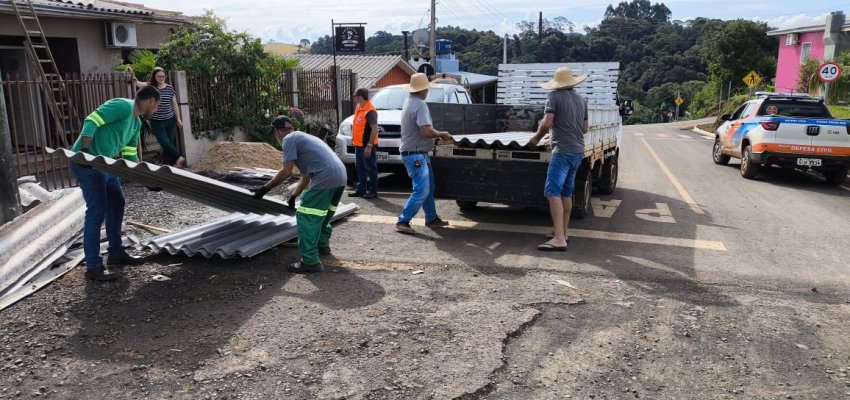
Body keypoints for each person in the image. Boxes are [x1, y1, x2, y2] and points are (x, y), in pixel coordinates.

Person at [70, 86, 161, 281]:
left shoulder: (136, 123)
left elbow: (129, 156)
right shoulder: (123, 106)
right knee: (97, 211)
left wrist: (147, 179)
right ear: (151, 100)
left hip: (106, 163)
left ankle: (116, 253)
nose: (155, 110)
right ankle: (94, 267)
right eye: (156, 106)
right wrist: (85, 151)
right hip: (87, 162)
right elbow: (91, 120)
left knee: (117, 203)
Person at [251, 115, 347, 273]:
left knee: (306, 216)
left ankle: (310, 262)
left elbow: (286, 171)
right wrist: (294, 196)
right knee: (322, 214)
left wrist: (264, 189)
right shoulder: (304, 138)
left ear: (276, 131)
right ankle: (322, 245)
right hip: (340, 176)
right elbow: (305, 176)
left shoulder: (288, 139)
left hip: (325, 177)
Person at [527, 67, 588, 252]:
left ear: (557, 83)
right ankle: (563, 233)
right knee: (566, 193)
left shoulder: (554, 97)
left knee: (552, 193)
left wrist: (536, 138)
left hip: (562, 152)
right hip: (577, 152)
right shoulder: (581, 100)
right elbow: (585, 128)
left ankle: (559, 238)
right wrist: (554, 137)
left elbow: (547, 123)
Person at [394, 73, 452, 234]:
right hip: (416, 154)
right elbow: (426, 131)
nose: (427, 91)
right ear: (421, 90)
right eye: (426, 89)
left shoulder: (410, 102)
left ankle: (431, 218)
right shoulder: (420, 104)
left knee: (429, 187)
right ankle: (403, 221)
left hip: (417, 153)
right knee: (422, 190)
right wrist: (441, 134)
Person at [128, 66, 185, 167]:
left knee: (169, 143)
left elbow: (174, 104)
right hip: (156, 121)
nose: (161, 78)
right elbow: (137, 83)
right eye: (159, 76)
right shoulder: (150, 87)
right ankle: (178, 157)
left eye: (163, 76)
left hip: (170, 120)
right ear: (154, 76)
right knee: (164, 142)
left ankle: (169, 165)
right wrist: (131, 74)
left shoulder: (170, 88)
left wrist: (178, 119)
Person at [348, 87, 380, 199]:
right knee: (360, 167)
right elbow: (357, 126)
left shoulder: (370, 111)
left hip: (367, 146)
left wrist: (369, 146)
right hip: (359, 145)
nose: (354, 98)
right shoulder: (359, 107)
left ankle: (373, 191)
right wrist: (354, 139)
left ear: (360, 97)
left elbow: (374, 130)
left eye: (355, 96)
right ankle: (361, 189)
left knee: (370, 168)